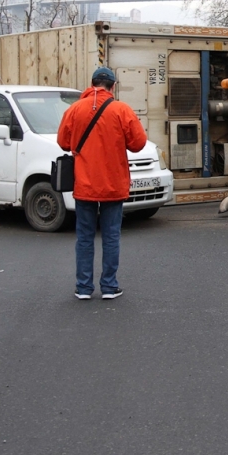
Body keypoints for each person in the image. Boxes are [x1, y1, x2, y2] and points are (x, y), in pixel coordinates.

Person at [57, 66, 147, 301]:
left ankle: (83, 288)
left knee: (84, 236)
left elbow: (63, 143)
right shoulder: (121, 109)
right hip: (113, 183)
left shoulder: (74, 109)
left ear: (92, 84)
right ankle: (109, 286)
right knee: (111, 236)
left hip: (84, 183)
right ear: (113, 86)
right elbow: (138, 144)